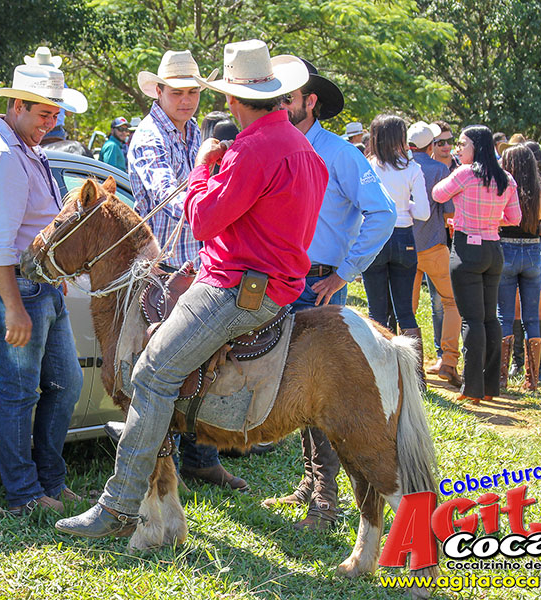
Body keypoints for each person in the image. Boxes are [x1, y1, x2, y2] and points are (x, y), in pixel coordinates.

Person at [56, 40, 326, 538]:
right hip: (279, 284)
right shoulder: (303, 147)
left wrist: (204, 166)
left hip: (234, 286)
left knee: (151, 373)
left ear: (232, 99)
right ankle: (169, 493)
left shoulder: (249, 149)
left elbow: (200, 220)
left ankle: (118, 507)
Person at [260, 59, 395, 531]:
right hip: (279, 282)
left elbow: (383, 212)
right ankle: (311, 484)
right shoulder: (277, 147)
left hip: (316, 284)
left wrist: (344, 272)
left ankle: (325, 501)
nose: (278, 105)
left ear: (310, 101)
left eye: (287, 98)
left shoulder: (339, 154)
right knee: (291, 386)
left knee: (320, 392)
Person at [0, 64, 88, 515]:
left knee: (66, 384)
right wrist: (13, 307)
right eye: (43, 114)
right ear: (17, 106)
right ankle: (25, 495)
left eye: (55, 115)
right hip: (15, 288)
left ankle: (49, 482)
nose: (49, 123)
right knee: (19, 393)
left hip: (39, 285)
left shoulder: (26, 150)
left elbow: (36, 226)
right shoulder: (3, 158)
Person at [121, 48, 247, 491]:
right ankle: (170, 464)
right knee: (167, 365)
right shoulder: (148, 137)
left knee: (203, 363)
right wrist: (214, 193)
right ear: (158, 91)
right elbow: (170, 198)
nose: (187, 100)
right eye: (177, 92)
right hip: (166, 269)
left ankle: (201, 457)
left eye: (193, 92)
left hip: (200, 264)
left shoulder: (195, 132)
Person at [432, 125, 521, 405]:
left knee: (471, 320)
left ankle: (472, 388)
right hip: (493, 249)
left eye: (462, 144)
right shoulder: (505, 178)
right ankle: (490, 385)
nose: (458, 149)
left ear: (476, 147)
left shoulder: (465, 173)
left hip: (467, 250)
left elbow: (437, 194)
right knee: (489, 318)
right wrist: (489, 220)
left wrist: (465, 219)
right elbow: (515, 218)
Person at [363, 115, 430, 359]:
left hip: (375, 236)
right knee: (406, 311)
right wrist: (405, 206)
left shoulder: (368, 167)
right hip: (404, 237)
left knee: (376, 311)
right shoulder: (412, 169)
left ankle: (379, 365)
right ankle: (416, 371)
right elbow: (423, 213)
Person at [497, 144, 541, 391]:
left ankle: (502, 376)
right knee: (532, 316)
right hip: (534, 252)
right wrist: (533, 227)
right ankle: (533, 378)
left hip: (506, 251)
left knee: (505, 315)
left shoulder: (502, 191)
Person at [408, 121, 462, 386]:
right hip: (434, 246)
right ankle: (449, 361)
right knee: (451, 302)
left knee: (407, 308)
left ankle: (409, 364)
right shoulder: (439, 169)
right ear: (430, 146)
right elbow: (449, 211)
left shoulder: (401, 167)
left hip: (406, 248)